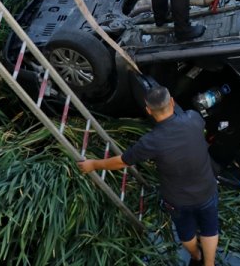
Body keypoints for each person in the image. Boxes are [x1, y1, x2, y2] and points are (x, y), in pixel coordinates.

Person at [78, 85, 219, 266]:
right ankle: (209, 263)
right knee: (209, 229)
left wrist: (93, 164)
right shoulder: (193, 118)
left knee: (186, 234)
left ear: (148, 111)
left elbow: (122, 161)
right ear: (173, 102)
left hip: (178, 201)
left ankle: (196, 257)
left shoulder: (151, 142)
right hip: (207, 190)